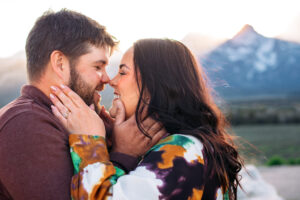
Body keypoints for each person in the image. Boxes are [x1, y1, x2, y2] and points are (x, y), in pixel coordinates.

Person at [50, 39, 243, 200]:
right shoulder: (183, 146)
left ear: (154, 87)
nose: (112, 81)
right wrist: (122, 152)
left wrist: (89, 142)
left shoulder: (182, 151)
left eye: (123, 72)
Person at [0, 10, 163, 200]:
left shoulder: (78, 118)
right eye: (97, 67)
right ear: (60, 63)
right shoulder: (26, 124)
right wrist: (123, 155)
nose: (106, 79)